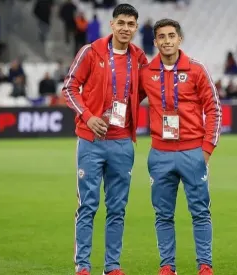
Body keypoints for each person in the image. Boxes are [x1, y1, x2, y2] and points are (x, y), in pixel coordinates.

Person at [61, 4, 148, 275]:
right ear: (112, 24)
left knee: (117, 208)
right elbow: (69, 87)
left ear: (136, 27)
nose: (125, 28)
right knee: (87, 205)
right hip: (91, 141)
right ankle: (83, 266)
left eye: (130, 24)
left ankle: (112, 267)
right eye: (120, 22)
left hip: (123, 142)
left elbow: (149, 89)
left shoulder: (139, 57)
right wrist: (88, 116)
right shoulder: (91, 51)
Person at [139, 18, 221, 275]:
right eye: (161, 37)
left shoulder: (196, 70)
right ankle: (167, 267)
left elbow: (214, 109)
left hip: (192, 152)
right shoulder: (146, 72)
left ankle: (205, 265)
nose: (166, 41)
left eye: (171, 36)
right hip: (160, 154)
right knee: (163, 215)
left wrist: (206, 150)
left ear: (179, 39)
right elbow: (125, 101)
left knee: (200, 211)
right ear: (155, 42)